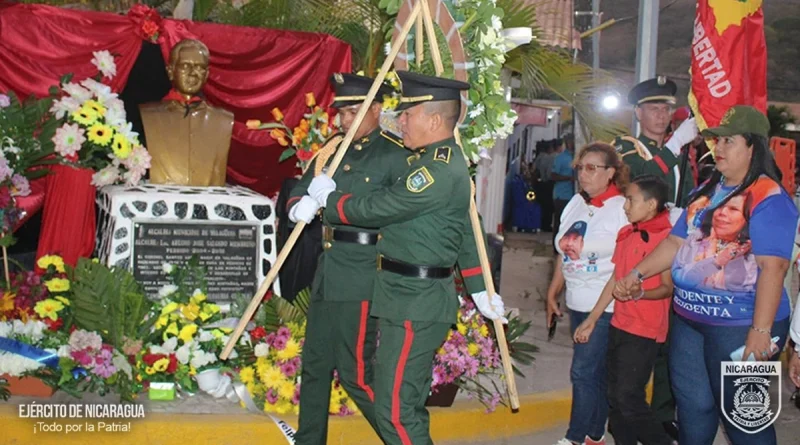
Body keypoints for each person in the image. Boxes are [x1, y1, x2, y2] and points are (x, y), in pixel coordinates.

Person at [305, 71, 507, 445]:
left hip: (416, 300)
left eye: (407, 114)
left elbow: (384, 206)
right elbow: (464, 229)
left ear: (433, 119)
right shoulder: (427, 161)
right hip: (403, 297)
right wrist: (480, 287)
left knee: (397, 413)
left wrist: (329, 201)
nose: (399, 121)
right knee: (396, 405)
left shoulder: (436, 170)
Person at [615, 105, 798, 445]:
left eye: (729, 141)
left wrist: (761, 331)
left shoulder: (769, 197)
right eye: (717, 141)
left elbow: (774, 268)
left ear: (753, 148)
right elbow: (674, 243)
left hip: (741, 326)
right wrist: (637, 274)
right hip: (689, 322)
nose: (719, 149)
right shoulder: (707, 192)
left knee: (747, 419)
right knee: (693, 409)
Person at [286, 72, 411, 444]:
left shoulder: (395, 155)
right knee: (315, 366)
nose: (343, 121)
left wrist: (333, 205)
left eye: (353, 112)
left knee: (356, 374)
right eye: (341, 113)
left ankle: (401, 439)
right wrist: (299, 206)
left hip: (361, 274)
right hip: (328, 271)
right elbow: (300, 185)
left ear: (375, 110)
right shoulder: (331, 149)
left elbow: (393, 212)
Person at [614, 76, 696, 439]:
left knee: (671, 335)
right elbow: (643, 182)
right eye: (653, 108)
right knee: (641, 333)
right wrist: (676, 143)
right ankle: (632, 415)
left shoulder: (679, 156)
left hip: (675, 246)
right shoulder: (628, 147)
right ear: (637, 112)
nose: (661, 115)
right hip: (643, 248)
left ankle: (664, 411)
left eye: (666, 108)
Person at [574, 175, 675, 445]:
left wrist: (640, 292)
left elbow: (667, 288)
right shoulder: (626, 234)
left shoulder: (666, 239)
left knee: (628, 398)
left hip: (645, 330)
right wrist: (592, 319)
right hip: (620, 324)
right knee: (615, 399)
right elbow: (615, 279)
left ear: (652, 204)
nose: (625, 206)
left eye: (631, 200)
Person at [547, 142, 630, 445]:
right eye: (581, 167)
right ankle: (595, 434)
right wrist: (553, 290)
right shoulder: (575, 204)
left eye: (592, 168)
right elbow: (565, 252)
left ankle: (575, 437)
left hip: (605, 306)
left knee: (582, 371)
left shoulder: (622, 208)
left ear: (611, 173)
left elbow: (627, 262)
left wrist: (596, 314)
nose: (584, 174)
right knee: (593, 373)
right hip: (576, 301)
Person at [552, 135, 575, 251]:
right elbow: (553, 175)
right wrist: (569, 178)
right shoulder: (561, 158)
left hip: (574, 197)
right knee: (560, 223)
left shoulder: (577, 157)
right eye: (571, 141)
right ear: (567, 142)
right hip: (562, 195)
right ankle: (556, 250)